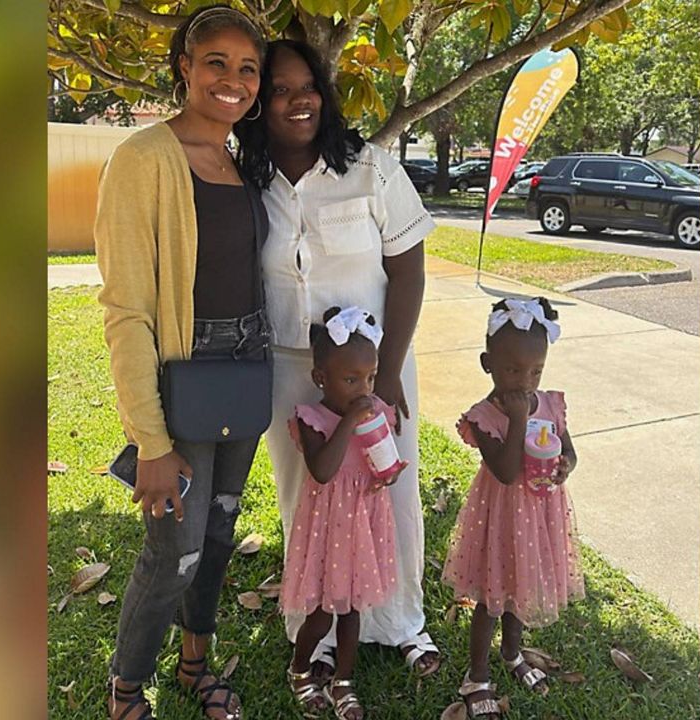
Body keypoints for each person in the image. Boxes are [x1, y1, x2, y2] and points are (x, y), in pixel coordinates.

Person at [233, 38, 442, 682]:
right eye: (279, 90)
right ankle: (314, 630)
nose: (298, 101)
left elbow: (408, 273)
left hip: (375, 371)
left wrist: (388, 374)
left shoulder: (371, 169)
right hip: (291, 370)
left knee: (390, 487)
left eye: (308, 87)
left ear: (324, 93)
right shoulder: (246, 179)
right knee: (306, 497)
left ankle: (401, 622)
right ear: (258, 104)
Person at [94, 6, 268, 719]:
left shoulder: (242, 160)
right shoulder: (142, 159)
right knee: (174, 552)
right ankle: (127, 689)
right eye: (216, 62)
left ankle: (196, 666)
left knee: (219, 534)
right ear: (185, 68)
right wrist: (150, 440)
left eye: (248, 68)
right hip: (184, 374)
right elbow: (126, 309)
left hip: (247, 367)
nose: (233, 80)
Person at [441, 297, 584, 720]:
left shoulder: (551, 404)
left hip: (539, 517)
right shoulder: (483, 416)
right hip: (501, 517)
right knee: (492, 596)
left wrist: (564, 466)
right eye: (513, 370)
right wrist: (518, 420)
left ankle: (512, 652)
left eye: (536, 371)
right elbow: (504, 472)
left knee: (520, 587)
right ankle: (477, 676)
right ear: (488, 364)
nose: (525, 381)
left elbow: (569, 450)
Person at [281, 306, 404, 720]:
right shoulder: (312, 419)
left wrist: (387, 474)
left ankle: (344, 681)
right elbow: (323, 470)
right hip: (327, 530)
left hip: (363, 527)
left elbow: (380, 463)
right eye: (352, 380)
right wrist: (349, 421)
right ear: (321, 378)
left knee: (352, 612)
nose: (364, 389)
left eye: (370, 377)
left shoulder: (375, 413)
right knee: (320, 616)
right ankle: (300, 670)